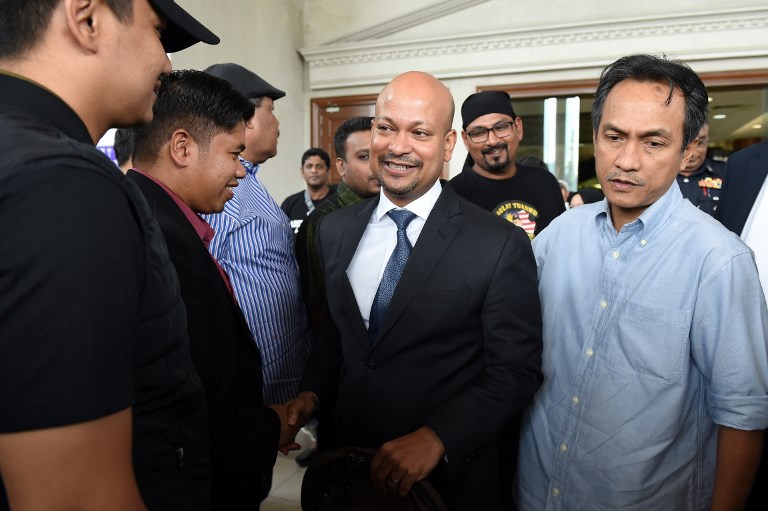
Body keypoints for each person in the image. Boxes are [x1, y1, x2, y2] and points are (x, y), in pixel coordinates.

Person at [516, 54, 768, 511]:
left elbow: (743, 415)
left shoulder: (719, 261)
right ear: (596, 136)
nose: (626, 160)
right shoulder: (560, 235)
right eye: (614, 137)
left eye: (653, 142)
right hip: (538, 492)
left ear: (689, 149)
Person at [287, 71, 543, 509]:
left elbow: (515, 372)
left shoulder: (499, 244)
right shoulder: (334, 230)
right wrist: (308, 396)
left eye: (419, 132)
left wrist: (439, 438)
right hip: (345, 472)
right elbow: (336, 337)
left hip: (446, 484)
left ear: (448, 145)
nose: (398, 146)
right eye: (386, 127)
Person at [0, 1, 219, 510]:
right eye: (159, 32)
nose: (167, 64)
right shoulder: (60, 185)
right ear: (87, 17)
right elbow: (73, 495)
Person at [127, 70, 301, 508]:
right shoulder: (159, 238)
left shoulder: (164, 219)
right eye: (233, 154)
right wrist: (267, 427)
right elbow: (196, 395)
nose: (241, 171)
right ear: (183, 147)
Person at [202, 63, 312, 405]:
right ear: (246, 117)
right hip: (253, 388)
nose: (277, 123)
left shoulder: (249, 180)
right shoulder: (223, 185)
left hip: (277, 379)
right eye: (271, 111)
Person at [449, 90, 565, 239]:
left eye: (501, 127)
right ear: (465, 140)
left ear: (518, 128)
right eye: (479, 132)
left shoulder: (545, 182)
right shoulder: (454, 195)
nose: (492, 141)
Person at [281, 147, 337, 234]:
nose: (314, 171)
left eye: (319, 166)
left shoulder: (339, 200)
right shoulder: (290, 203)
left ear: (328, 171)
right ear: (302, 171)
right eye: (309, 166)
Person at [676, 123, 726, 217]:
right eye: (685, 143)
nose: (692, 153)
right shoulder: (655, 175)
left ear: (707, 142)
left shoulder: (726, 173)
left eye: (699, 143)